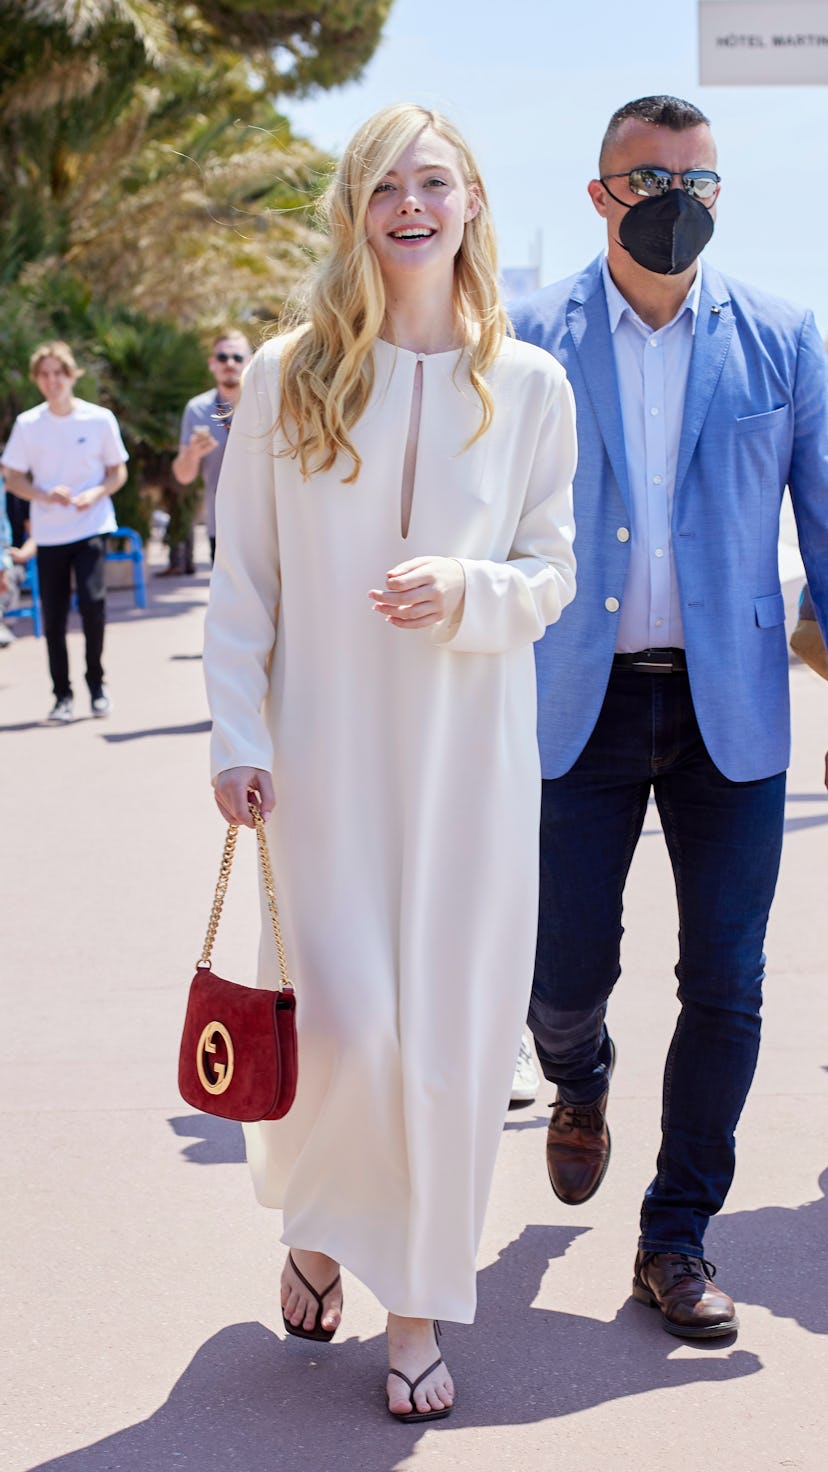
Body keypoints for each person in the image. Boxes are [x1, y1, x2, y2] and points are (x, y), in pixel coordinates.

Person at [202, 102, 577, 1420]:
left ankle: (413, 1307)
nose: (410, 205)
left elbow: (551, 571)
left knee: (452, 1046)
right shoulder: (291, 374)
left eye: (434, 182)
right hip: (324, 760)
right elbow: (244, 579)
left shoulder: (531, 384)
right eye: (384, 186)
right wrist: (237, 738)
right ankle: (319, 1218)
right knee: (351, 1027)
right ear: (355, 210)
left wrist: (470, 587)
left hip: (473, 764)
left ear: (470, 202)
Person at [511, 94, 828, 1341]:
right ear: (602, 195)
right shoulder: (527, 338)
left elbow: (826, 523)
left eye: (698, 182)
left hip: (729, 705)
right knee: (560, 972)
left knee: (729, 981)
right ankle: (577, 1072)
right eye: (651, 181)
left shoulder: (785, 337)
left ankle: (676, 1233)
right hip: (572, 702)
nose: (677, 202)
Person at [1, 342, 128, 721]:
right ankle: (62, 696)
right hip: (49, 534)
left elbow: (117, 471)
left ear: (72, 376)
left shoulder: (99, 419)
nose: (52, 380)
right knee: (53, 617)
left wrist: (96, 493)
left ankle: (97, 685)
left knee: (92, 604)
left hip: (92, 526)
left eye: (59, 373)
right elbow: (13, 478)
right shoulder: (28, 424)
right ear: (37, 380)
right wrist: (43, 494)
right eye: (45, 374)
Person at [162, 330, 252, 574]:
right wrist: (192, 454)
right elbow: (183, 476)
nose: (230, 363)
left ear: (250, 361)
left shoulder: (265, 404)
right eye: (222, 357)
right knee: (227, 596)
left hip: (264, 521)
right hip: (220, 524)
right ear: (213, 363)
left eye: (237, 357)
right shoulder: (198, 409)